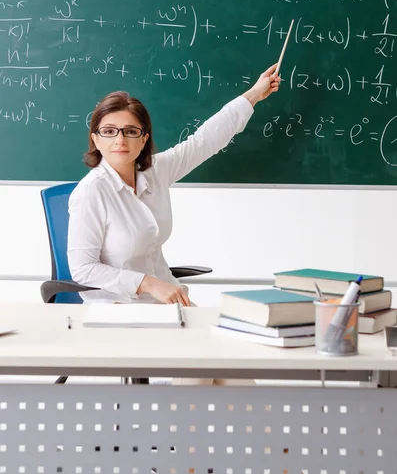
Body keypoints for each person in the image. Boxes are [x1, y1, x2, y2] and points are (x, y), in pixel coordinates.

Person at [67, 64, 281, 306]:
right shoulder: (91, 192)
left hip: (168, 301)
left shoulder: (155, 170)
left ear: (143, 139)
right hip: (118, 307)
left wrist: (254, 94)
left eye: (130, 131)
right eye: (108, 131)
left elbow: (205, 141)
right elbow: (83, 269)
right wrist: (147, 282)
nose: (120, 140)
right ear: (95, 139)